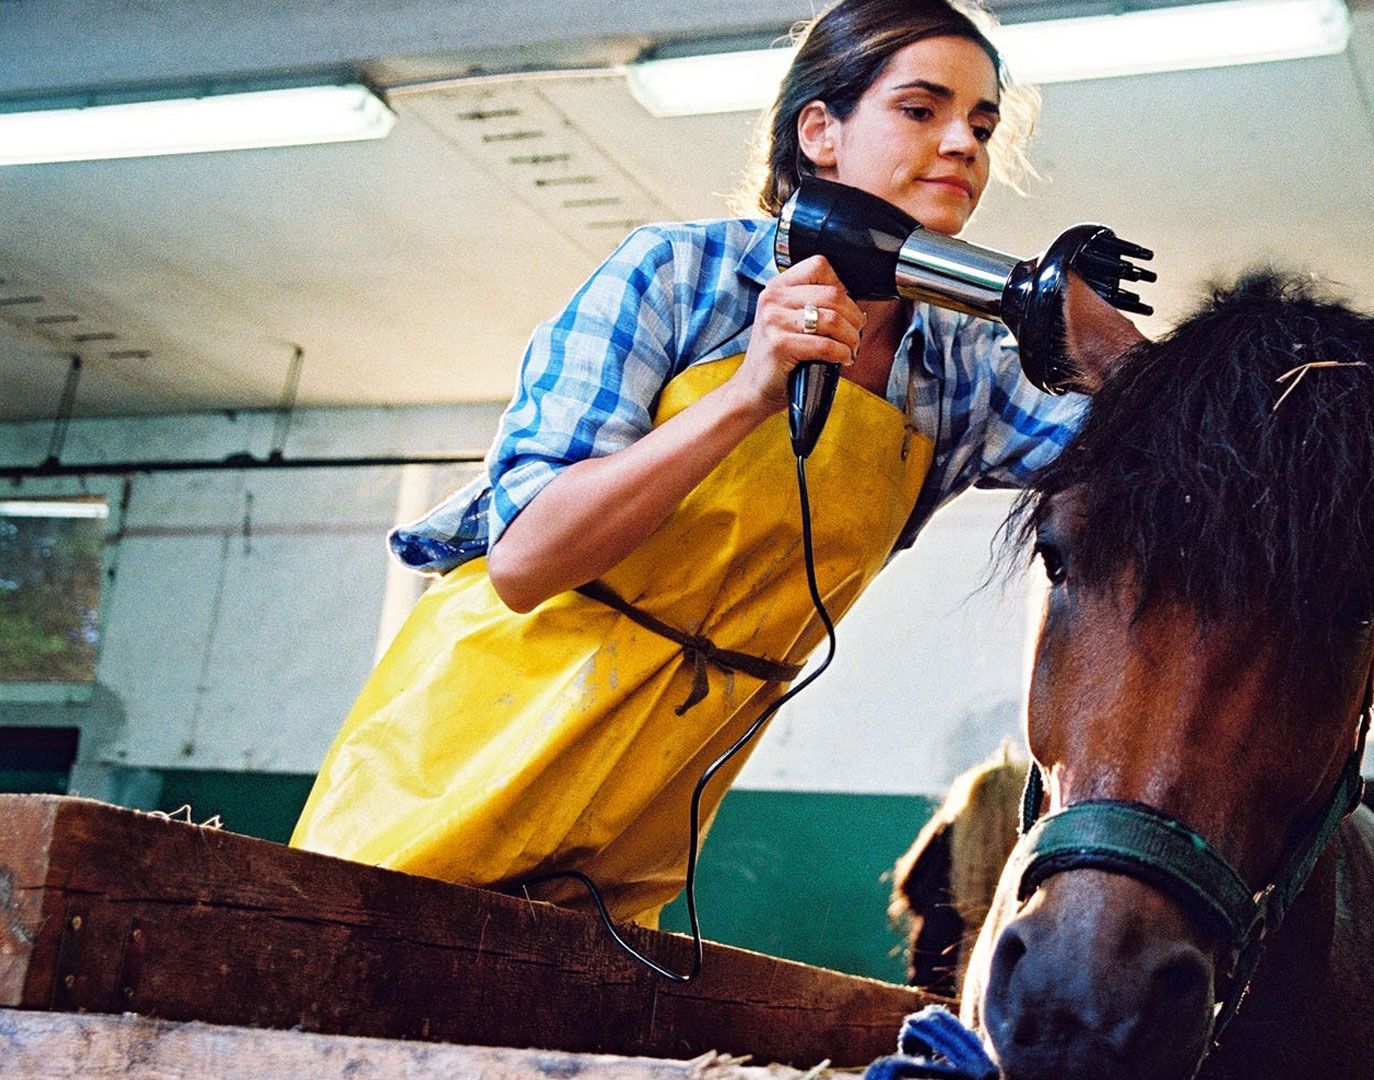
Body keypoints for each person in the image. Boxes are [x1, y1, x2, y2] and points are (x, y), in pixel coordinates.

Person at [290, 0, 1144, 928]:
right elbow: (526, 559)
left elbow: (1192, 461)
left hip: (646, 813)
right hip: (467, 747)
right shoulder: (677, 275)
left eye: (981, 125)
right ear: (820, 129)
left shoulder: (963, 372)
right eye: (921, 109)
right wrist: (746, 393)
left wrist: (1115, 358)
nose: (964, 146)